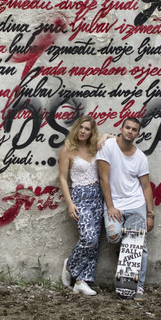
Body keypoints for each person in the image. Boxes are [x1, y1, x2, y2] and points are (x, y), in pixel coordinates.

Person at [96, 117, 155, 300]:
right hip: (115, 205)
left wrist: (150, 214)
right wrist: (110, 206)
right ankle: (126, 257)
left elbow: (146, 186)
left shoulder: (140, 157)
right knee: (114, 236)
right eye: (127, 128)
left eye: (134, 129)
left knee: (139, 246)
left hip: (136, 204)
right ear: (121, 129)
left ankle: (138, 287)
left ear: (138, 134)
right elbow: (104, 179)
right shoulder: (108, 146)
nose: (130, 131)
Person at [58, 115, 105, 295]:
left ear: (92, 132)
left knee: (95, 242)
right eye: (81, 127)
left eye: (87, 129)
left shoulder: (95, 148)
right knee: (89, 238)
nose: (83, 131)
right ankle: (69, 265)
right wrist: (70, 203)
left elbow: (116, 139)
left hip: (97, 196)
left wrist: (105, 136)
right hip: (79, 196)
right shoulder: (67, 150)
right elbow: (63, 178)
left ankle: (81, 282)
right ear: (76, 128)